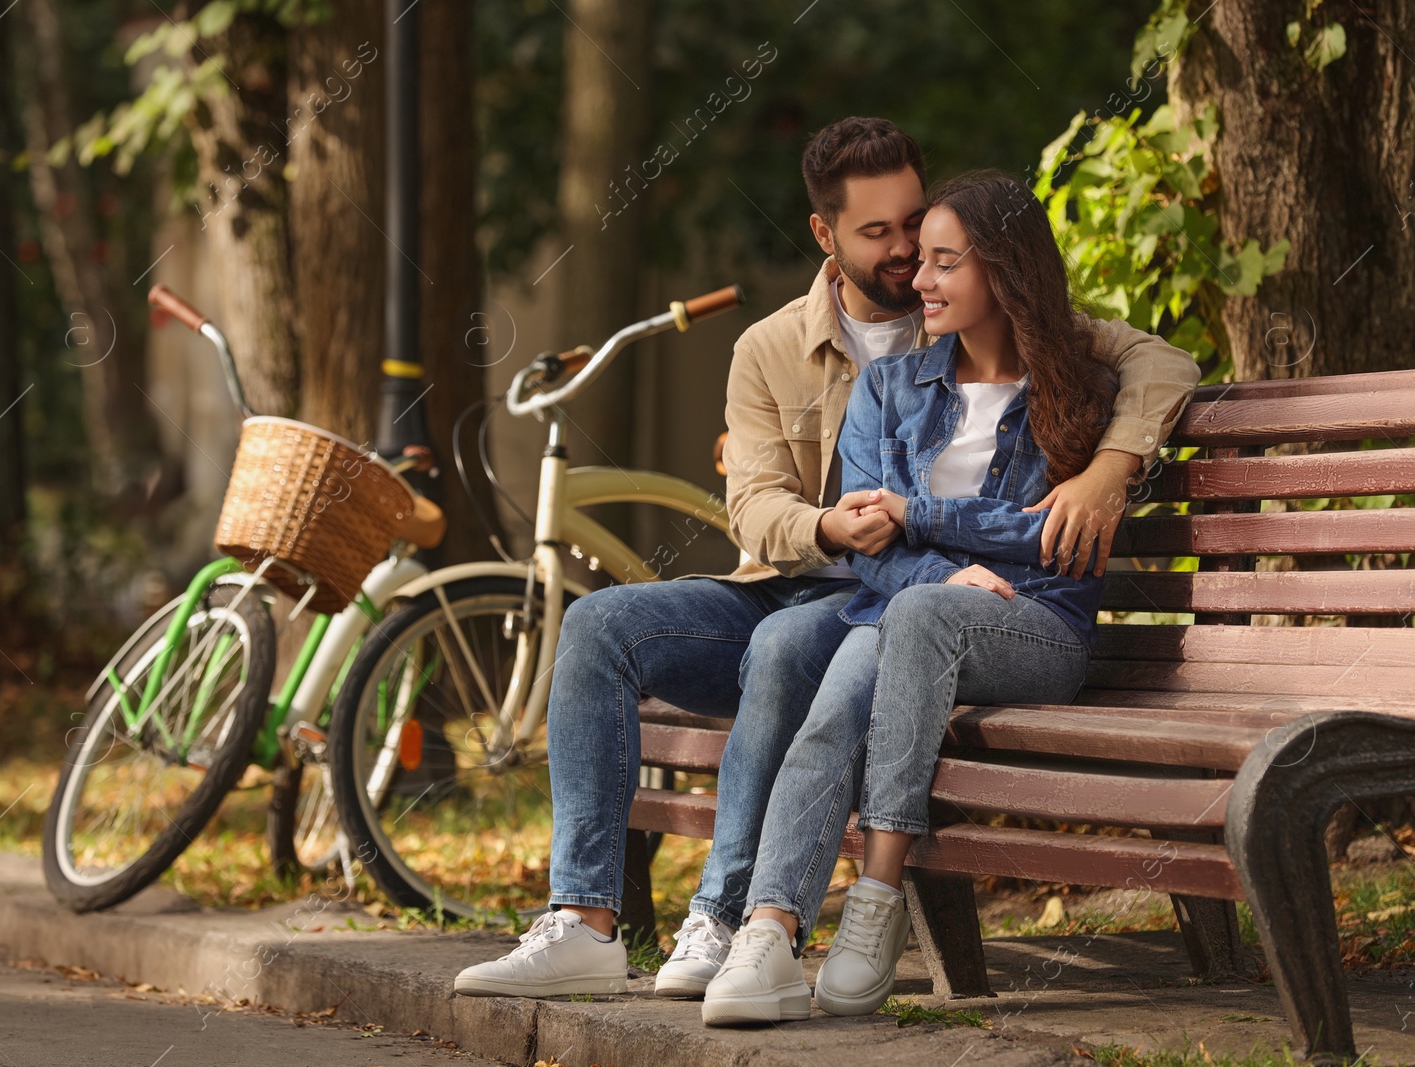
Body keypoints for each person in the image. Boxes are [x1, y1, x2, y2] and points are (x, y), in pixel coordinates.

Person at [454, 122, 1200, 1001]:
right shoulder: (772, 348)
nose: (904, 257)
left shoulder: (993, 311)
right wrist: (829, 528)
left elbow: (1155, 360)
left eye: (916, 230)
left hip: (900, 609)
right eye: (878, 235)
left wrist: (1112, 469)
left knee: (795, 649)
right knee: (597, 626)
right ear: (825, 236)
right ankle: (584, 922)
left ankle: (731, 917)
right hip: (801, 580)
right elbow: (753, 505)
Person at [699, 169, 1148, 1025]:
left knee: (911, 616)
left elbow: (1049, 538)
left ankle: (876, 897)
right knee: (841, 701)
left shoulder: (1079, 393)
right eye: (923, 260)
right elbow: (872, 549)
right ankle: (770, 928)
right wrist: (939, 572)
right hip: (918, 612)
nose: (921, 280)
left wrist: (924, 516)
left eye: (947, 262)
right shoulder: (890, 387)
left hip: (1038, 624)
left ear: (1007, 272)